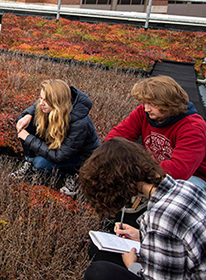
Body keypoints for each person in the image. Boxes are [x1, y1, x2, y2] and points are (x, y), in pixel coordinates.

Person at [79, 137, 206, 280]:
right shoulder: (185, 186)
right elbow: (181, 239)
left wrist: (132, 265)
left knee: (98, 272)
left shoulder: (160, 217)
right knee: (100, 252)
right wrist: (141, 235)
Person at [105, 75, 206, 190]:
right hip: (155, 168)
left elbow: (179, 171)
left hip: (194, 177)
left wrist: (136, 169)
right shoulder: (144, 112)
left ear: (168, 104)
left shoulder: (192, 127)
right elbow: (114, 138)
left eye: (152, 104)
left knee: (177, 194)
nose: (147, 108)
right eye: (144, 103)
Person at [13, 79, 100, 188]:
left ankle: (74, 175)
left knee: (40, 164)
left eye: (45, 100)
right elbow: (38, 105)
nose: (41, 103)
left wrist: (28, 138)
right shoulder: (57, 105)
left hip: (80, 159)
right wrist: (28, 115)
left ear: (57, 102)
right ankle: (29, 162)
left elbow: (60, 156)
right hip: (62, 147)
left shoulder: (79, 123)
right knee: (23, 122)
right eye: (41, 98)